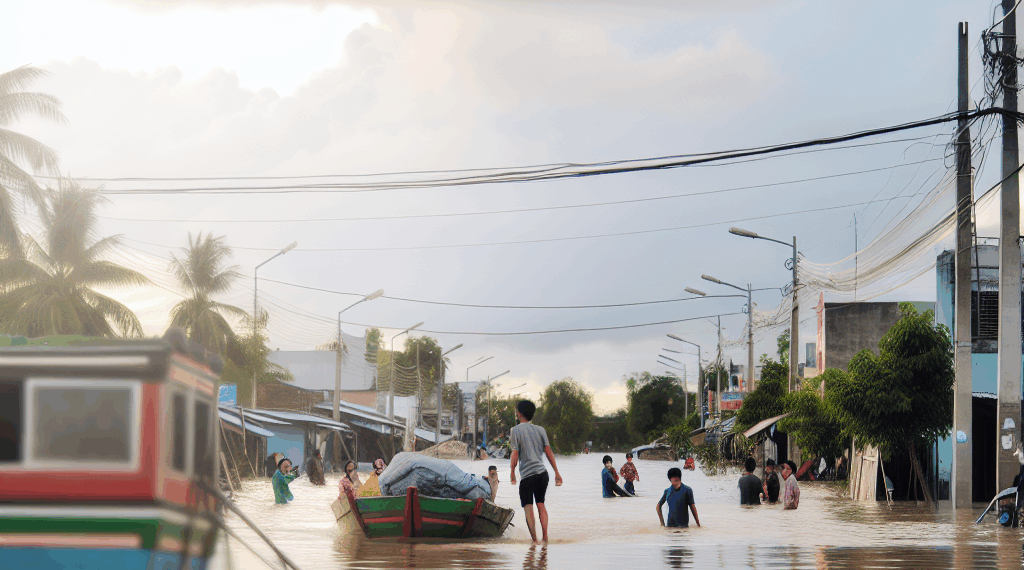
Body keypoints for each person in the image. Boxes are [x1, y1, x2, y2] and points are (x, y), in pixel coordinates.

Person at [510, 399, 563, 543]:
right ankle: (545, 537)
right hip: (542, 474)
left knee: (528, 508)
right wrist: (557, 473)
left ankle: (535, 541)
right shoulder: (541, 430)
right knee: (541, 504)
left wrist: (512, 472)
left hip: (527, 476)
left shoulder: (515, 430)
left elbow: (515, 454)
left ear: (519, 414)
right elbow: (548, 452)